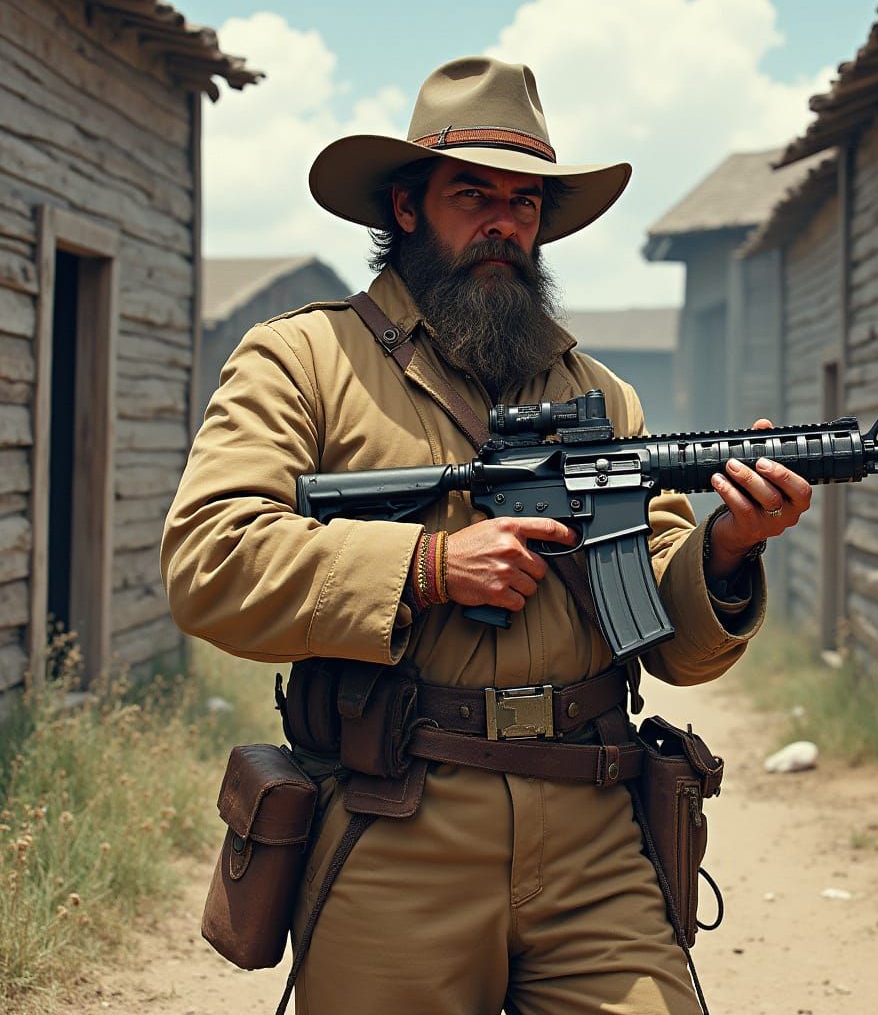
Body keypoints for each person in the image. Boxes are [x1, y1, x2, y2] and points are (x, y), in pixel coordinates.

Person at [161, 56, 811, 1015]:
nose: (505, 221)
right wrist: (424, 565)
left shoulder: (602, 394)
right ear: (409, 206)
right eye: (475, 194)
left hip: (595, 823)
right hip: (397, 821)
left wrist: (726, 551)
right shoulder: (305, 359)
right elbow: (209, 558)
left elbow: (671, 643)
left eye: (526, 202)